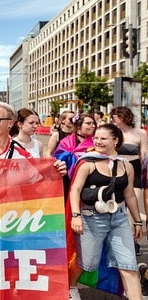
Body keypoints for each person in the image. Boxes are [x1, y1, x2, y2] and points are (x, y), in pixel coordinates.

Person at [68, 123, 142, 300]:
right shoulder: (87, 162)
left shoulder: (126, 165)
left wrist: (137, 220)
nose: (98, 142)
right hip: (90, 218)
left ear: (115, 141)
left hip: (119, 218)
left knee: (128, 265)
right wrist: (76, 215)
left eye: (103, 138)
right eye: (96, 138)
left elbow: (130, 194)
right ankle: (70, 287)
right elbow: (75, 190)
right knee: (87, 263)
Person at [0, 102, 67, 189]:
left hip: (12, 214)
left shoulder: (23, 154)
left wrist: (55, 173)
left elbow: (39, 187)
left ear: (10, 123)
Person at [110, 106, 148, 256]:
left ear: (124, 117)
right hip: (117, 172)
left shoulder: (140, 133)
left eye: (115, 116)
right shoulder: (113, 133)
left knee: (131, 209)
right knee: (117, 207)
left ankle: (133, 240)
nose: (113, 118)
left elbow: (144, 154)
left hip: (136, 172)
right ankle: (119, 240)